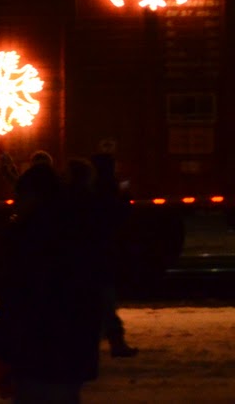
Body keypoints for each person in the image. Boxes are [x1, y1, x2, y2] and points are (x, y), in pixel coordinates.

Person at [0, 162, 105, 401]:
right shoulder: (78, 232)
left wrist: (1, 350)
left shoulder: (27, 239)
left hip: (36, 355)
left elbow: (17, 301)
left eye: (18, 197)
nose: (15, 204)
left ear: (31, 196)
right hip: (70, 354)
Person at [88, 153, 138, 358]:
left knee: (95, 300)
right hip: (103, 253)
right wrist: (125, 196)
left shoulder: (89, 190)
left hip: (91, 254)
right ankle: (116, 341)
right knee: (106, 298)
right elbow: (118, 216)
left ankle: (99, 341)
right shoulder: (109, 189)